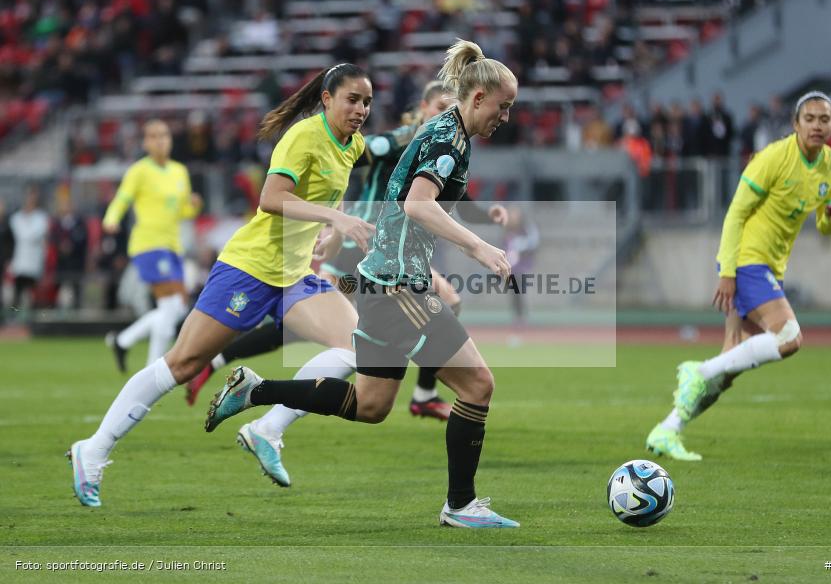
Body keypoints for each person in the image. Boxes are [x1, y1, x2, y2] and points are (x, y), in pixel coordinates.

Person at [205, 40, 521, 528]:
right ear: (478, 98)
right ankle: (460, 505)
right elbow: (418, 204)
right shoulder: (447, 139)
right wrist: (478, 247)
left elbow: (430, 201)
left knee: (371, 405)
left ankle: (256, 390)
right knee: (478, 384)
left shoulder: (451, 133)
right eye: (503, 105)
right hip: (398, 286)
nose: (506, 116)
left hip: (382, 280)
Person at [68, 63, 376, 507]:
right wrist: (335, 218)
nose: (361, 109)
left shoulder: (353, 143)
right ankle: (93, 450)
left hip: (294, 275)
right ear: (327, 99)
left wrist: (331, 227)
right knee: (183, 364)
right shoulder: (303, 136)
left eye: (367, 102)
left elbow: (333, 189)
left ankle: (267, 428)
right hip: (250, 268)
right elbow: (271, 199)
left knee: (356, 345)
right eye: (353, 99)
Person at [184, 81, 509, 422]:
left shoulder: (441, 145)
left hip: (385, 247)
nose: (445, 114)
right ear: (423, 108)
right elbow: (350, 153)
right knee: (320, 328)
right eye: (439, 107)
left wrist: (486, 215)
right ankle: (259, 408)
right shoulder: (401, 140)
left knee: (318, 333)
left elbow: (453, 194)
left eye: (449, 108)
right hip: (366, 242)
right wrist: (331, 211)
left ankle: (243, 386)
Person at [645, 91, 831, 461]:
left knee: (729, 367)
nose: (817, 125)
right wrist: (727, 271)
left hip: (772, 268)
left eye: (824, 119)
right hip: (747, 261)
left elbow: (824, 225)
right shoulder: (773, 158)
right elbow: (736, 213)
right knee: (789, 337)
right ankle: (698, 370)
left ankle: (668, 429)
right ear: (795, 124)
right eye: (810, 118)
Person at [102, 120, 203, 371]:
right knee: (170, 306)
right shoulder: (139, 171)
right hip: (149, 244)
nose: (160, 140)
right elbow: (122, 199)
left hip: (172, 246)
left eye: (164, 135)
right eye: (154, 136)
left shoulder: (179, 171)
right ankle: (154, 368)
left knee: (177, 307)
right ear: (146, 142)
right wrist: (111, 219)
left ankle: (123, 341)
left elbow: (182, 212)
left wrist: (194, 206)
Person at [9, 186, 50, 318]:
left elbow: (30, 234)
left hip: (34, 263)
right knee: (17, 294)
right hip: (19, 262)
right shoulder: (16, 218)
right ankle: (13, 320)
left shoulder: (41, 218)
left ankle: (32, 321)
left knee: (33, 295)